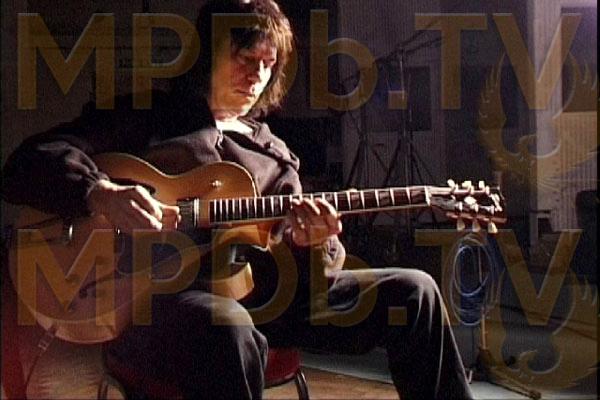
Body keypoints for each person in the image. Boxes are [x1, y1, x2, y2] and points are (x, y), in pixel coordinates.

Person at [2, 0, 473, 398]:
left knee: (416, 291)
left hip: (265, 296)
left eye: (268, 65)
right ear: (208, 53)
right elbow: (27, 161)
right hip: (156, 304)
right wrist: (98, 193)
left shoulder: (275, 155)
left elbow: (308, 274)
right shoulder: (148, 115)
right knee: (229, 326)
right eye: (246, 58)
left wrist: (315, 243)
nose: (257, 75)